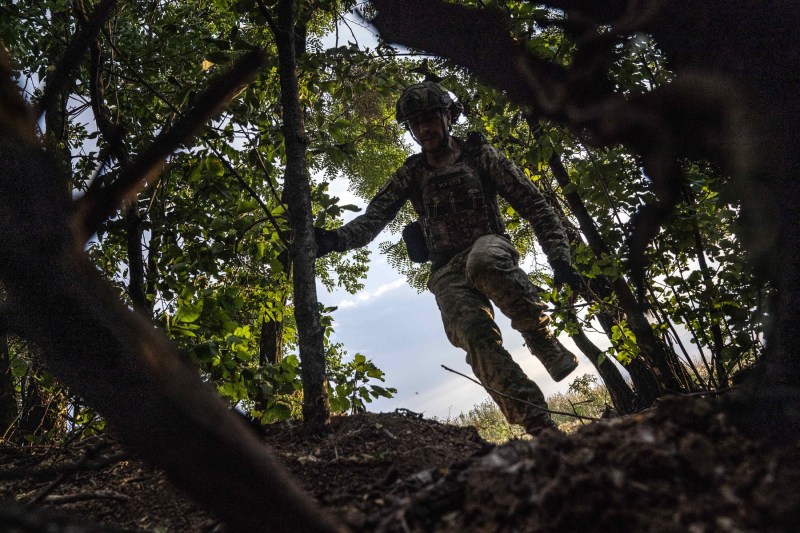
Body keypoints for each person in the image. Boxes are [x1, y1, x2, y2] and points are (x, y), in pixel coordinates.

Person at [314, 81, 582, 435]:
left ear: (448, 116)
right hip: (446, 271)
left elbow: (535, 204)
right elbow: (372, 220)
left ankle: (539, 335)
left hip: (489, 247)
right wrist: (329, 240)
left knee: (483, 260)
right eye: (415, 123)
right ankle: (539, 426)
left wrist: (560, 259)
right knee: (474, 336)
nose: (424, 129)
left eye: (430, 118)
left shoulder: (479, 156)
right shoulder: (412, 173)